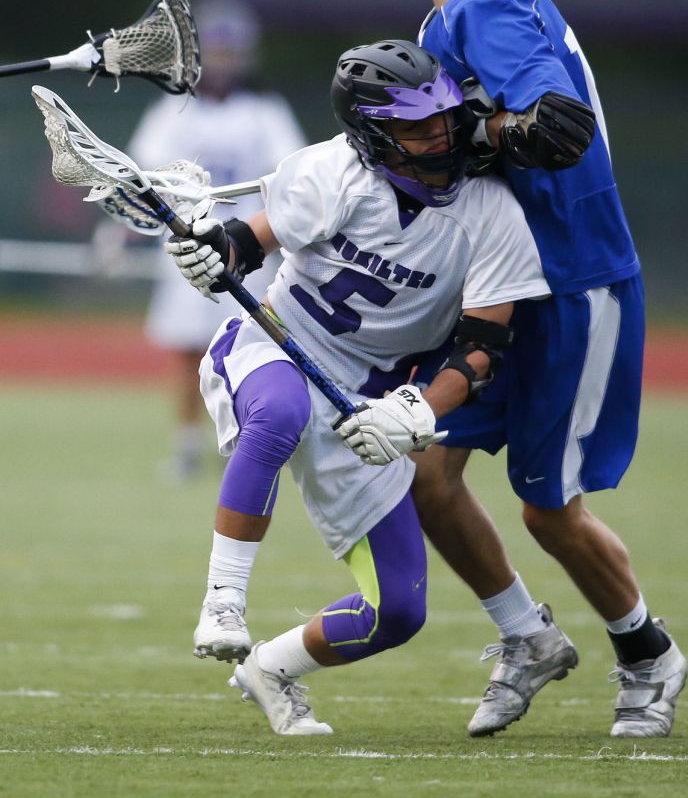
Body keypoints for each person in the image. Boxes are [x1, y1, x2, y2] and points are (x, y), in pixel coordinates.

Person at [363, 0, 687, 739]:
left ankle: (647, 652)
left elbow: (555, 125)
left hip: (571, 279)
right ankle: (526, 637)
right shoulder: (447, 22)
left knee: (547, 508)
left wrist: (468, 128)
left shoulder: (491, 0)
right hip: (502, 277)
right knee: (425, 471)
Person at [164, 39, 568, 735]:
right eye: (415, 125)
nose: (438, 135)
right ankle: (223, 599)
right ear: (372, 134)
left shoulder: (491, 212)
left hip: (366, 402)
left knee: (399, 610)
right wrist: (210, 253)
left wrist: (417, 410)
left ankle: (269, 666)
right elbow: (248, 243)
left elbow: (481, 350)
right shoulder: (336, 171)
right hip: (275, 342)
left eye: (442, 117)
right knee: (282, 410)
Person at [126, 0, 306, 479]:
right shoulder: (176, 109)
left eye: (231, 53)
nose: (224, 63)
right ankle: (187, 443)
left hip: (247, 246)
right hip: (188, 245)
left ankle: (258, 442)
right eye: (217, 52)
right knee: (187, 346)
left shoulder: (265, 111)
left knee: (259, 340)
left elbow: (292, 176)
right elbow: (146, 172)